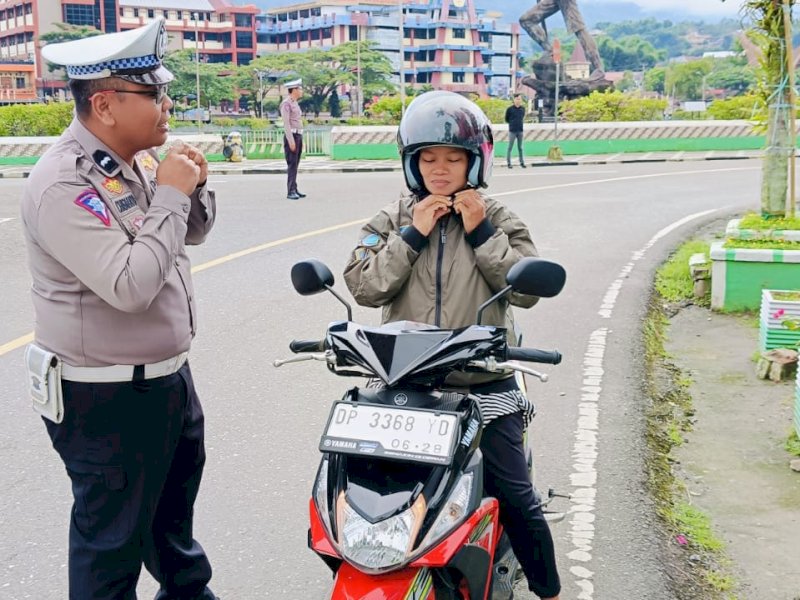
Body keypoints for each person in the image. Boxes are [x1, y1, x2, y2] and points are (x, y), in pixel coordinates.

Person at [20, 18, 219, 600]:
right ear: (105, 105)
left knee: (172, 537)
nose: (166, 105)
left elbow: (190, 236)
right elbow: (130, 285)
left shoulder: (127, 162)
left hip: (166, 383)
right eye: (153, 94)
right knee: (110, 554)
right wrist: (174, 195)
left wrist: (191, 189)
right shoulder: (63, 183)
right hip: (105, 399)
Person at [343, 90, 561, 600]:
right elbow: (363, 285)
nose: (440, 169)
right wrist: (411, 235)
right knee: (366, 492)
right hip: (404, 384)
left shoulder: (499, 217)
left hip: (482, 382)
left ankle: (548, 589)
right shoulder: (392, 217)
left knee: (516, 496)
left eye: (453, 158)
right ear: (412, 162)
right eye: (428, 158)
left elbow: (526, 290)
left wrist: (480, 230)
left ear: (475, 160)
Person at [280, 78, 305, 200]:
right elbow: (286, 123)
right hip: (293, 136)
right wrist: (291, 140)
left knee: (296, 164)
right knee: (292, 164)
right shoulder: (286, 103)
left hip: (298, 135)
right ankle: (290, 191)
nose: (301, 91)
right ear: (294, 90)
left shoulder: (295, 103)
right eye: (299, 88)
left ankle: (294, 188)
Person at [505, 93, 527, 169]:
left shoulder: (523, 109)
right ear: (514, 100)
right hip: (512, 131)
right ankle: (509, 163)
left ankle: (522, 162)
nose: (519, 100)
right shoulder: (510, 109)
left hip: (520, 131)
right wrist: (512, 124)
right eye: (517, 99)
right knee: (510, 147)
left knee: (520, 148)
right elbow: (506, 119)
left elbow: (522, 117)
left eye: (520, 99)